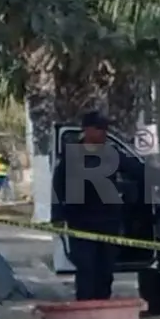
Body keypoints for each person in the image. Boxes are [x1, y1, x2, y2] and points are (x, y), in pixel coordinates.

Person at [51, 111, 125, 301]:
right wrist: (57, 216)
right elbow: (58, 187)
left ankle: (102, 311)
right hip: (81, 223)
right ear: (87, 130)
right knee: (86, 269)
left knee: (106, 271)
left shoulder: (111, 154)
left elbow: (137, 171)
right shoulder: (71, 156)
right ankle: (84, 310)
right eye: (100, 129)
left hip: (108, 224)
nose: (104, 133)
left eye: (106, 129)